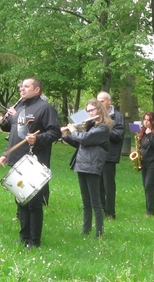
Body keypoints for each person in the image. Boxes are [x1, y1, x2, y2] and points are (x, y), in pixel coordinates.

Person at [0, 78, 60, 249]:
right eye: (21, 87)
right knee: (21, 200)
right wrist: (5, 153)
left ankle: (34, 240)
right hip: (17, 159)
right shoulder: (19, 107)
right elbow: (13, 133)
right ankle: (24, 236)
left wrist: (37, 138)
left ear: (37, 90)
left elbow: (55, 132)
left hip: (34, 161)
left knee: (34, 202)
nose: (22, 89)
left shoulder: (45, 108)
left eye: (26, 86)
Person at [62, 99, 113, 238]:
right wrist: (65, 136)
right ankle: (86, 230)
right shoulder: (91, 125)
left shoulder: (103, 128)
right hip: (82, 164)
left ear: (99, 110)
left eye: (92, 110)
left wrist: (73, 130)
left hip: (92, 164)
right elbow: (79, 143)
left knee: (95, 201)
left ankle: (99, 232)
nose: (90, 113)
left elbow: (84, 139)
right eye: (88, 111)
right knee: (86, 201)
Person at [97, 92, 125, 220]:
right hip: (96, 154)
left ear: (109, 101)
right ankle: (100, 210)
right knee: (98, 184)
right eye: (98, 101)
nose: (100, 103)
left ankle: (110, 212)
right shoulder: (94, 114)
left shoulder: (118, 116)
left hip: (109, 155)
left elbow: (118, 136)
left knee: (108, 185)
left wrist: (104, 125)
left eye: (102, 101)